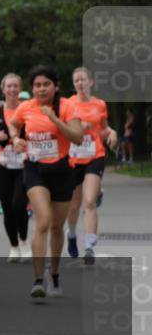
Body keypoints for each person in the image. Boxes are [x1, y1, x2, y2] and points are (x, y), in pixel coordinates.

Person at [7, 65, 84, 300]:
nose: (41, 89)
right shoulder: (26, 107)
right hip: (35, 170)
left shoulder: (68, 106)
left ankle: (56, 273)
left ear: (55, 86)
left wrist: (55, 120)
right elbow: (13, 123)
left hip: (61, 170)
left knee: (56, 227)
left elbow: (78, 138)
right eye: (37, 85)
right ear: (32, 88)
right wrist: (15, 138)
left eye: (46, 84)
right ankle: (38, 280)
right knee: (43, 220)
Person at [65, 67, 116, 265]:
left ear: (91, 82)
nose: (80, 83)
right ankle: (71, 233)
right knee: (74, 204)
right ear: (74, 84)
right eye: (77, 81)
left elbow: (102, 129)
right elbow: (60, 130)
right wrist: (77, 127)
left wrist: (111, 133)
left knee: (89, 201)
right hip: (73, 158)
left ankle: (89, 247)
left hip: (95, 155)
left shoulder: (100, 104)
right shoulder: (68, 104)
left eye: (83, 80)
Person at [0, 73, 30, 263]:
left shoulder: (27, 110)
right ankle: (13, 246)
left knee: (19, 205)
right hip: (2, 165)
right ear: (3, 89)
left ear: (20, 89)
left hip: (23, 165)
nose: (12, 90)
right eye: (9, 86)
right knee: (7, 207)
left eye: (16, 86)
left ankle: (24, 241)